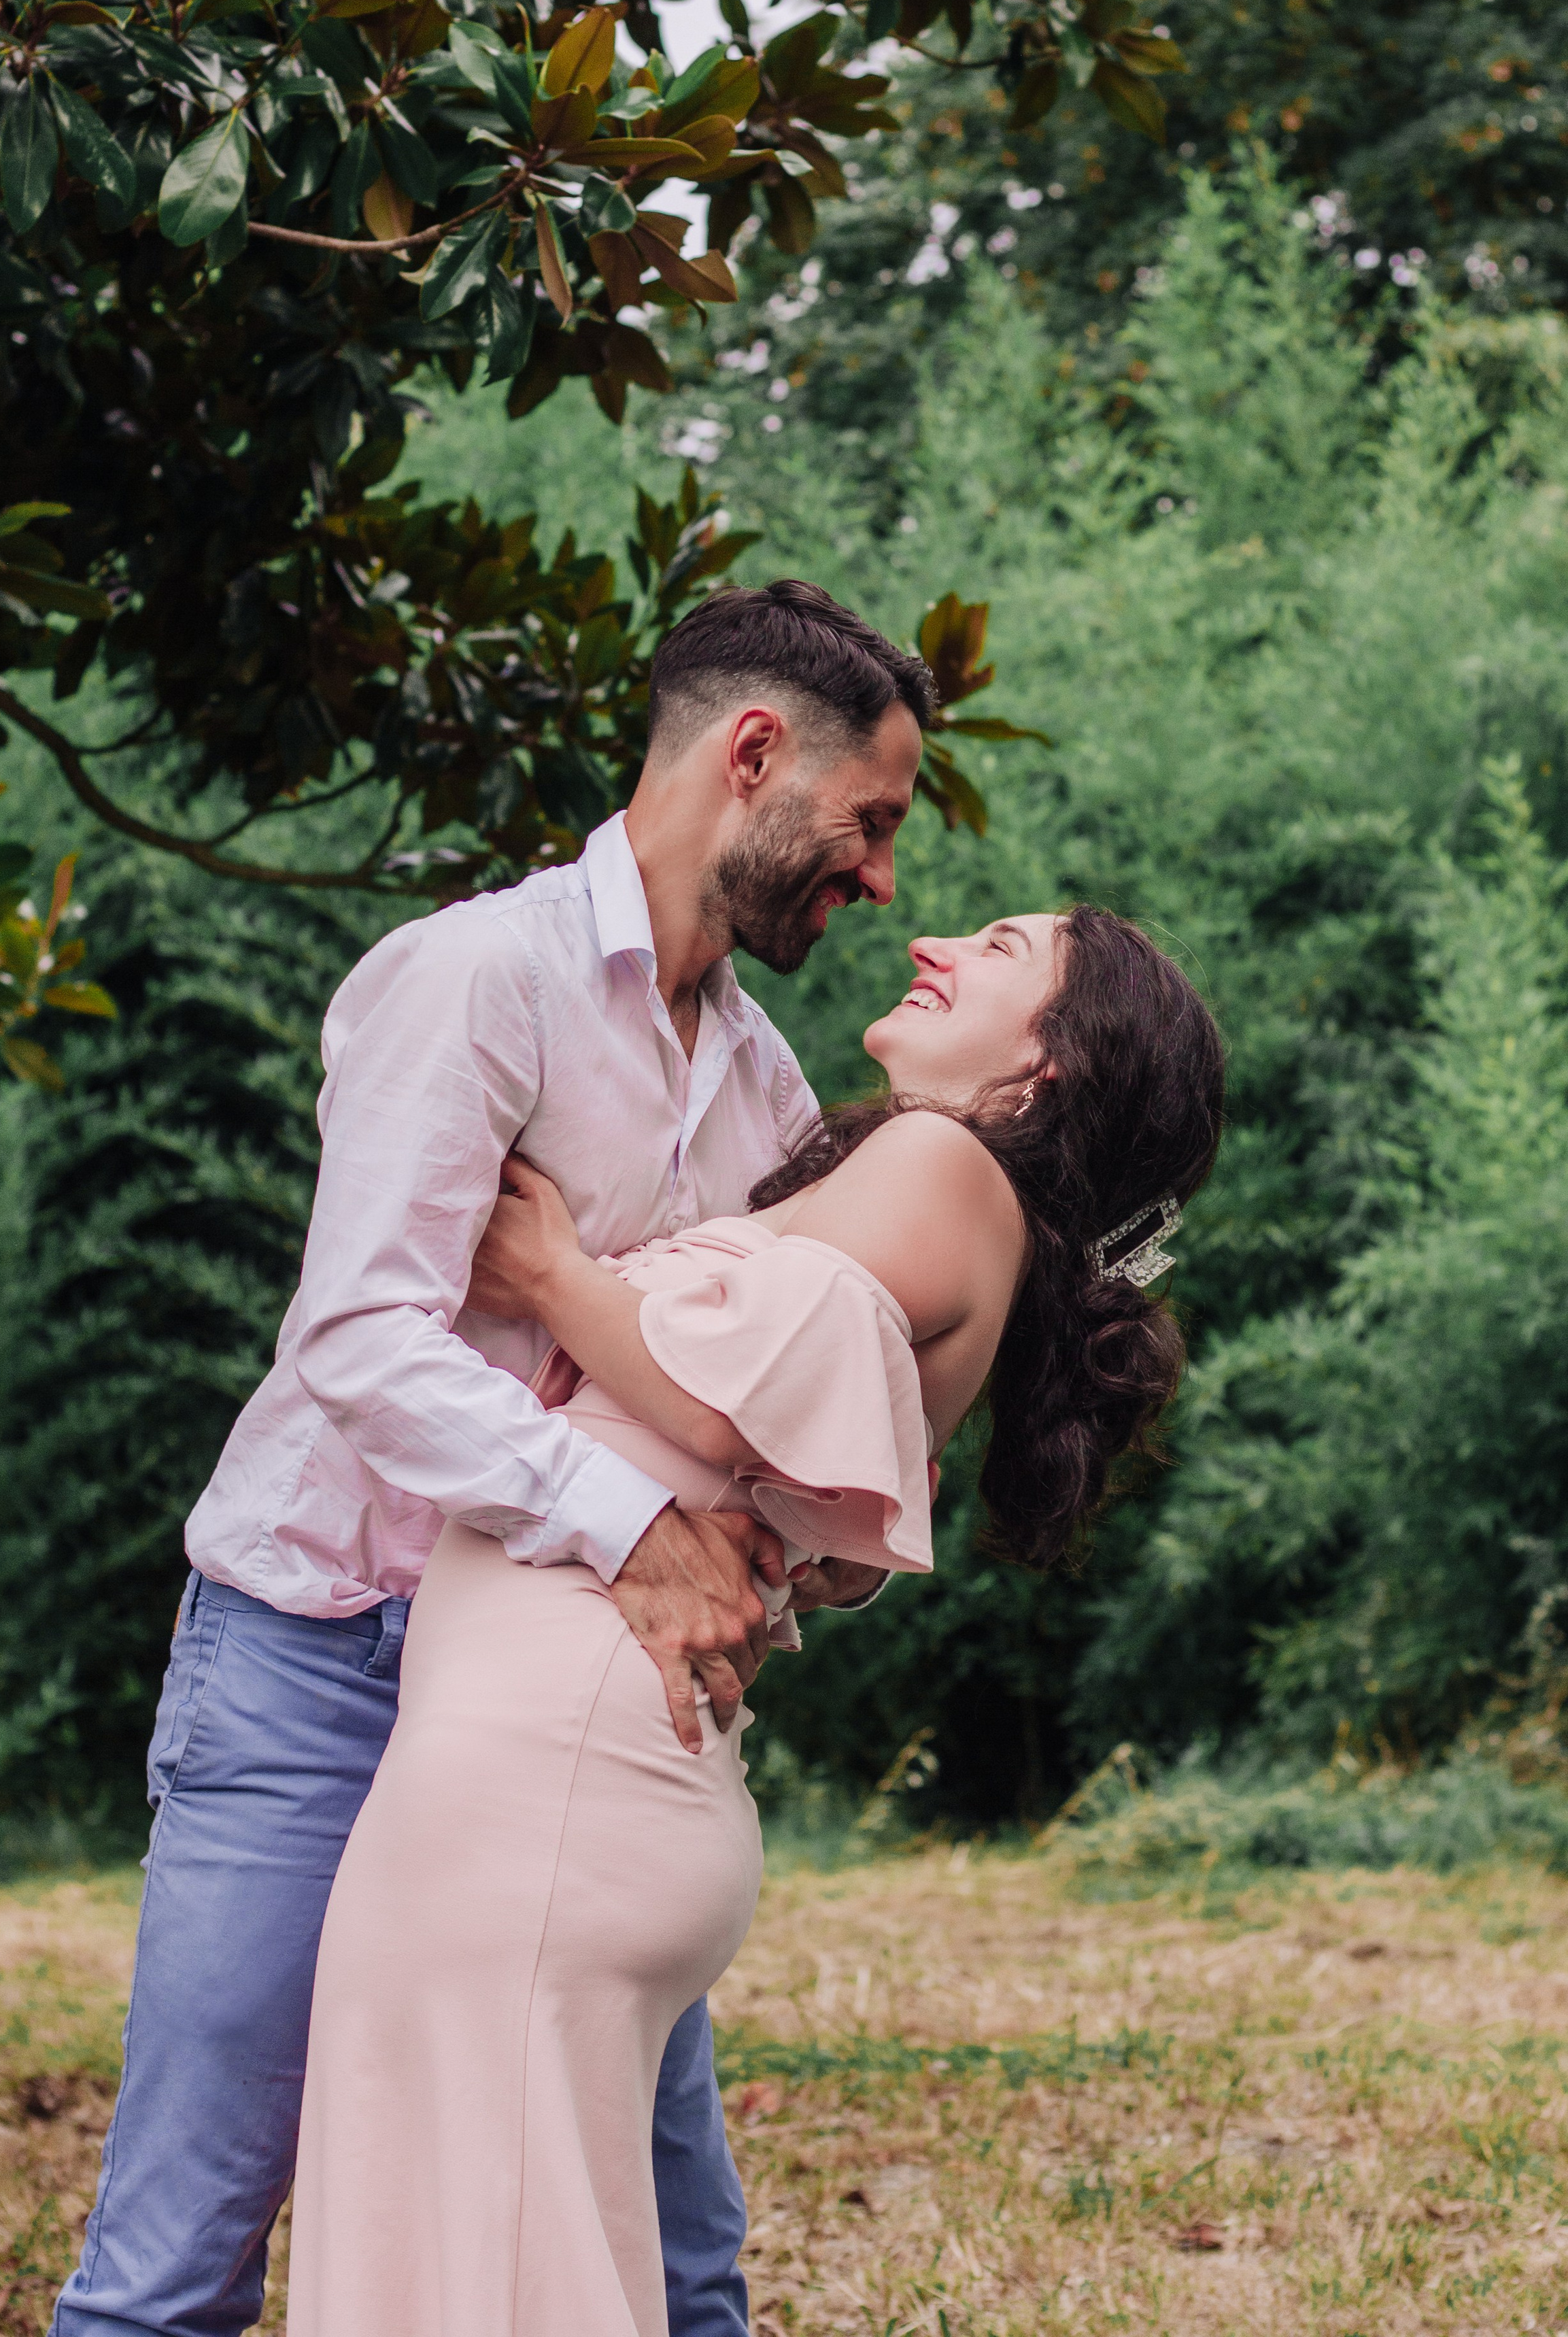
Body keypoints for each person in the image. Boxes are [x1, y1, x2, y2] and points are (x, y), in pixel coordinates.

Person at [53, 580, 935, 2337]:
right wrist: (626, 1526)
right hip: (321, 1658)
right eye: (871, 822)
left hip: (553, 1713)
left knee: (679, 2263)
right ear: (751, 755)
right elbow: (362, 1342)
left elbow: (735, 1399)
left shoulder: (760, 1087)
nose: (883, 879)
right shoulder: (474, 981)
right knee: (182, 2260)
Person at [286, 904, 1226, 2336]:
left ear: (1049, 1063)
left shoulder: (943, 1164)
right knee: (485, 2246)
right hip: (565, 1752)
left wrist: (549, 1279)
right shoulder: (941, 1193)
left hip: (551, 1762)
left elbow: (728, 1404)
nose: (943, 941)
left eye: (1000, 949)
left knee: (482, 2261)